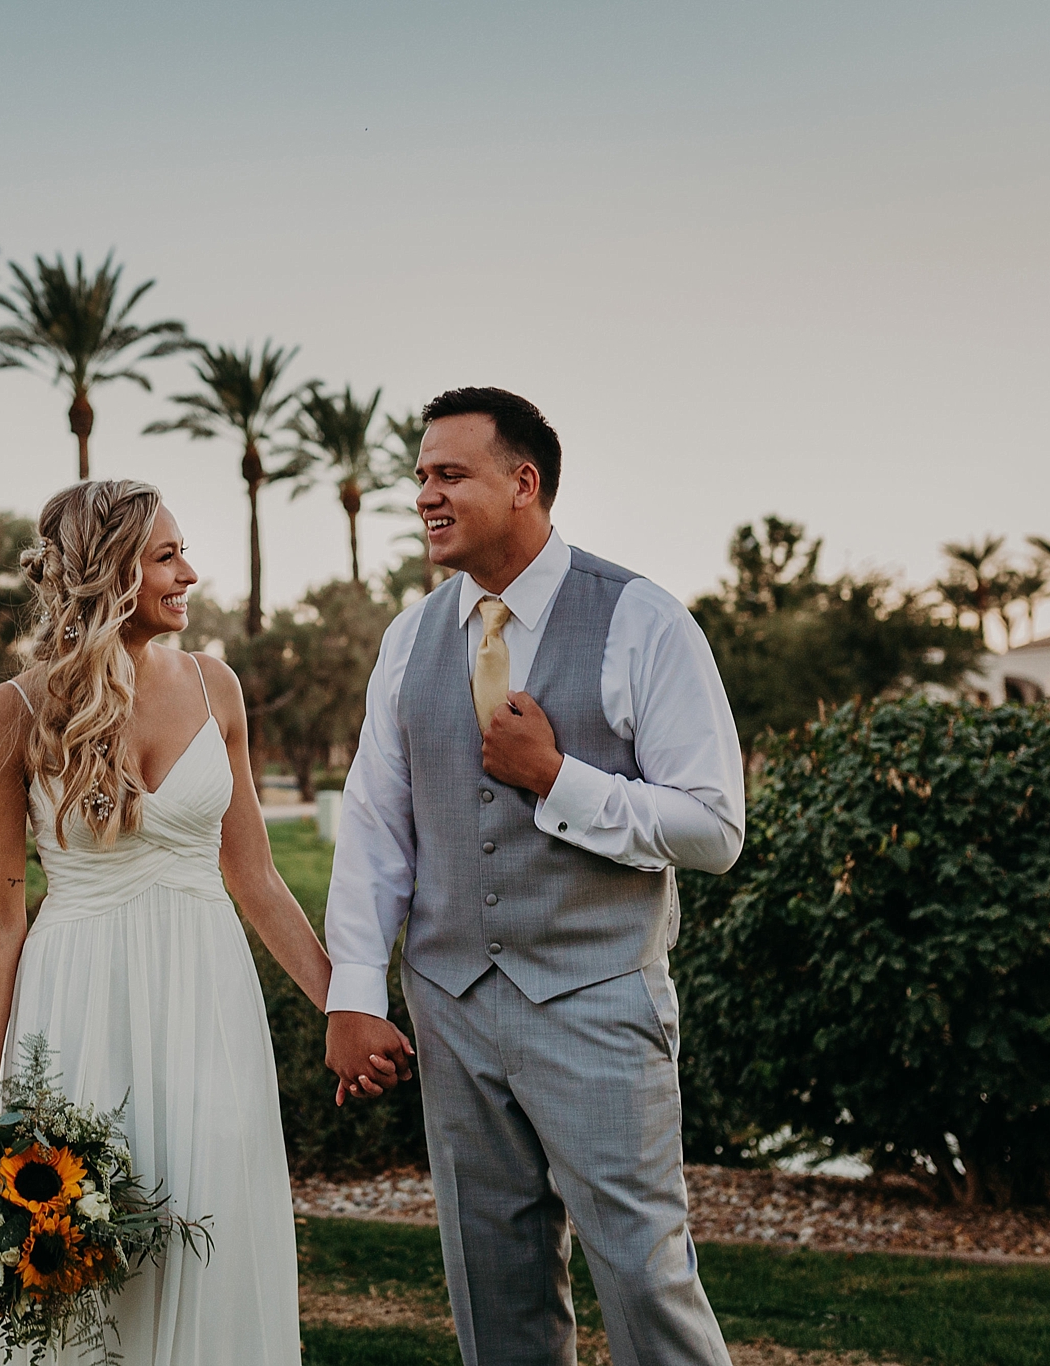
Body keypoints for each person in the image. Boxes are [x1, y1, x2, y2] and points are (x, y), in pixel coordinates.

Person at [323, 388, 747, 1366]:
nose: (424, 493)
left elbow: (713, 826)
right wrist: (352, 995)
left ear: (523, 483)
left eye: (448, 474)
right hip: (453, 1005)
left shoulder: (641, 620)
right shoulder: (409, 639)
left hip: (596, 997)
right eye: (419, 475)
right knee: (494, 1287)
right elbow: (377, 831)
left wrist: (557, 779)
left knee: (644, 1276)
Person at [0, 479, 359, 1365]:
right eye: (167, 555)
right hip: (75, 1007)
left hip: (206, 998)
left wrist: (345, 1003)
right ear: (110, 574)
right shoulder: (12, 713)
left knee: (208, 1216)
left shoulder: (219, 687)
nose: (189, 573)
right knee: (74, 1252)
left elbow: (251, 873)